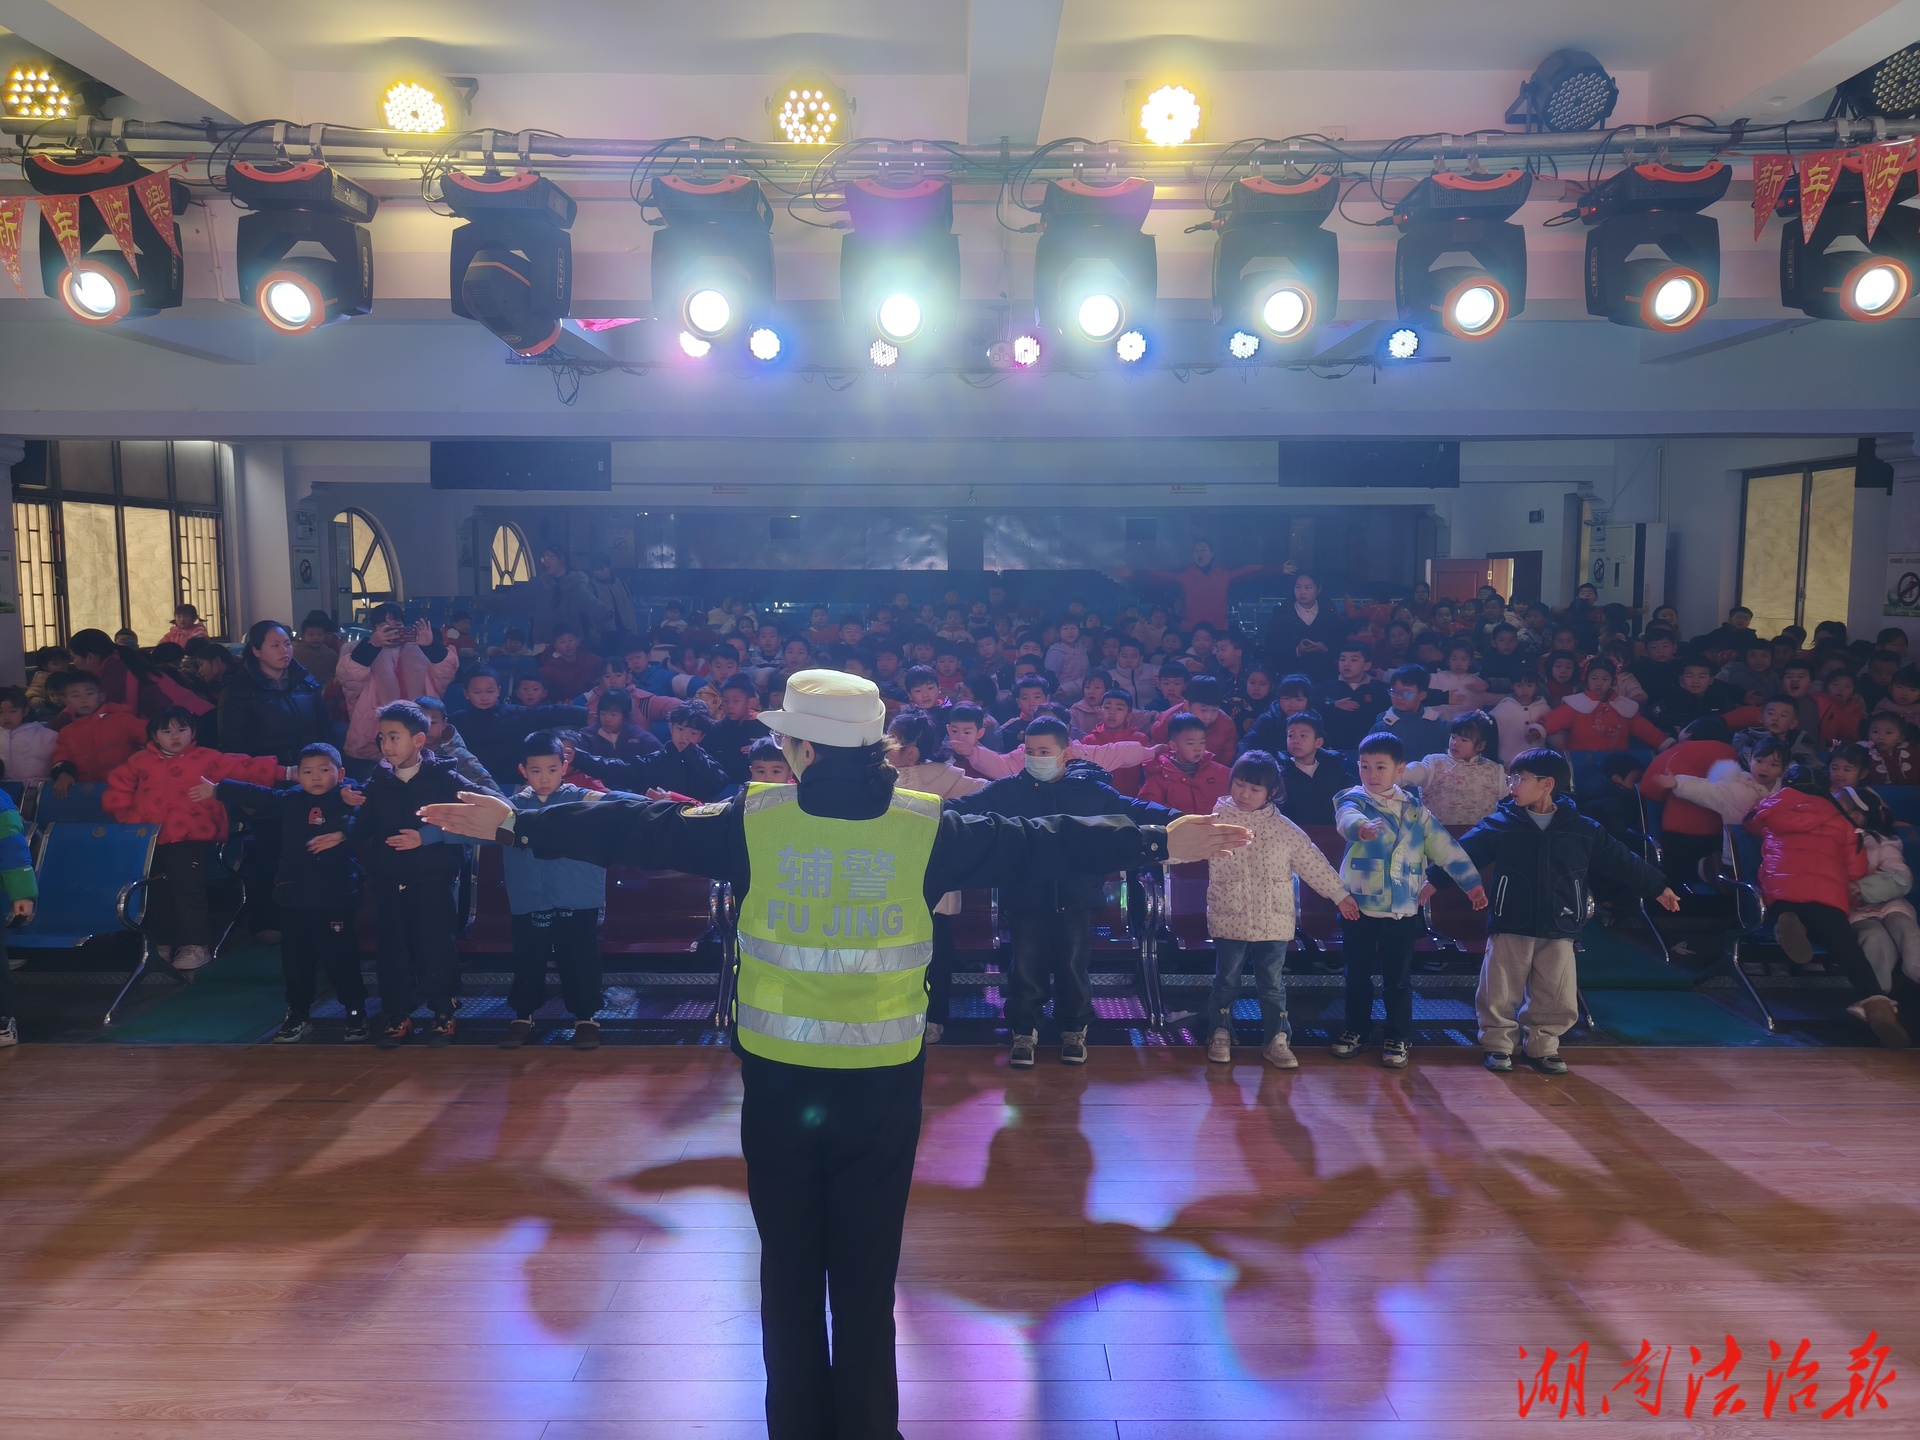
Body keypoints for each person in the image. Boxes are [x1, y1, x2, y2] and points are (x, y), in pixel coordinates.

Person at [419, 669, 1247, 1440]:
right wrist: (1154, 842)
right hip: (883, 1083)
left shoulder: (754, 819)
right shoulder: (928, 825)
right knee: (865, 1273)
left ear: (803, 749)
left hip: (779, 1080)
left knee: (788, 1270)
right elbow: (1039, 839)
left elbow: (640, 825)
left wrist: (522, 823)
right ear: (874, 745)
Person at [947, 715, 1178, 1068]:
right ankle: (1024, 1031)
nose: (1035, 758)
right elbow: (963, 809)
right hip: (1024, 898)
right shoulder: (1008, 791)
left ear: (1065, 753)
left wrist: (1186, 820)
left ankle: (1073, 1029)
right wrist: (919, 814)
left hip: (1077, 897)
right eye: (1030, 751)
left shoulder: (1091, 792)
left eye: (1044, 751)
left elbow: (1137, 810)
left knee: (1073, 969)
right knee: (1025, 969)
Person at [1458, 748, 1678, 1073]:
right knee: (1499, 990)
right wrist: (1431, 880)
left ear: (1547, 784)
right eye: (1511, 777)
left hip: (1560, 923)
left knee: (1555, 992)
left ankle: (1542, 1046)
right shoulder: (1500, 824)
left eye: (1519, 778)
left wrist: (1657, 886)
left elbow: (1621, 860)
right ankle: (1498, 1045)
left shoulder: (1582, 828)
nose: (1511, 784)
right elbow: (1460, 856)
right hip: (1510, 920)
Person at [1331, 731, 1486, 1069]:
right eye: (1365, 766)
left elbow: (1445, 847)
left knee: (1398, 979)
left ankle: (1398, 1035)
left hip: (1402, 908)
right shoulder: (1353, 799)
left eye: (1380, 767)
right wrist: (1361, 829)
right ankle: (1357, 1030)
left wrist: (1470, 883)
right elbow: (1347, 819)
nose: (1371, 774)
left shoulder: (1415, 810)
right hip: (1359, 906)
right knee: (1356, 975)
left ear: (1399, 769)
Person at [1203, 749, 1358, 1068]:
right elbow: (1181, 847)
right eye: (1239, 784)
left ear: (1271, 792)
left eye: (1254, 788)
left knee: (1272, 984)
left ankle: (1276, 1038)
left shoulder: (1284, 829)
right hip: (1229, 916)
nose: (1244, 794)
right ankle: (1220, 1031)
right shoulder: (1215, 824)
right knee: (1226, 980)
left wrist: (1339, 894)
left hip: (1273, 920)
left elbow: (1312, 861)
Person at [103, 708, 292, 972]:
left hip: (189, 837)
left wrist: (287, 773)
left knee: (187, 891)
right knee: (155, 892)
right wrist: (123, 815)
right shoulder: (139, 761)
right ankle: (163, 943)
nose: (175, 736)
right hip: (149, 838)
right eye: (166, 731)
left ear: (193, 732)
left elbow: (243, 766)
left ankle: (194, 945)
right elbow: (119, 785)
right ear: (154, 736)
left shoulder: (207, 758)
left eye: (181, 729)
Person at [217, 742, 369, 1043]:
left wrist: (344, 816)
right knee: (296, 961)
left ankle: (355, 1011)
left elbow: (366, 814)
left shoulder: (349, 795)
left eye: (323, 770)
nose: (315, 777)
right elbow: (259, 795)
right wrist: (219, 788)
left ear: (339, 773)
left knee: (340, 957)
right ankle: (298, 1012)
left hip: (334, 896)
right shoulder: (292, 798)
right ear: (298, 775)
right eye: (307, 772)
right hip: (294, 896)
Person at [1746, 766, 1909, 1048]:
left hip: (1782, 888)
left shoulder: (1772, 808)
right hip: (1828, 894)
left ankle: (1788, 923)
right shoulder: (1840, 819)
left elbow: (1750, 822)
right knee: (1845, 946)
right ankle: (1877, 1006)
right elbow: (1856, 869)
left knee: (1784, 910)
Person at [354, 701, 467, 1047]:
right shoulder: (377, 783)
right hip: (390, 882)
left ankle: (443, 1013)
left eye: (394, 737)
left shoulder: (446, 778)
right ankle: (397, 1015)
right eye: (382, 737)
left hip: (433, 880)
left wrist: (429, 837)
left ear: (418, 739)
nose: (386, 745)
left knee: (436, 949)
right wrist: (342, 821)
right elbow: (360, 825)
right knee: (392, 953)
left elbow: (478, 816)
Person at [499, 732, 612, 1050]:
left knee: (580, 958)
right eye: (535, 771)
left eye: (551, 769)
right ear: (523, 771)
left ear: (564, 767)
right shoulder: (510, 809)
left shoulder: (585, 802)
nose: (544, 778)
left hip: (578, 898)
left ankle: (586, 1019)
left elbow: (624, 804)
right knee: (527, 958)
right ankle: (523, 1016)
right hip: (529, 899)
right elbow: (478, 832)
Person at [884, 711, 988, 1045]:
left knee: (936, 956)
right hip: (887, 881)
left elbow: (991, 795)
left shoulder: (948, 777)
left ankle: (935, 1017)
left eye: (891, 738)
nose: (883, 744)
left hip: (935, 883)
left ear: (911, 751)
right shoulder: (876, 775)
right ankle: (893, 1014)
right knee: (891, 956)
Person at [336, 607, 461, 768]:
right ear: (373, 629)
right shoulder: (356, 651)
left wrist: (431, 646)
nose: (392, 629)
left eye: (397, 624)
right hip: (373, 742)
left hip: (419, 740)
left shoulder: (420, 649)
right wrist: (372, 646)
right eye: (384, 625)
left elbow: (446, 673)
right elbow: (350, 678)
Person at [1637, 717, 1741, 887]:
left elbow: (1649, 790)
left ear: (1689, 733)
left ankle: (1702, 870)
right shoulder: (1733, 756)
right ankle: (1716, 871)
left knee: (1673, 867)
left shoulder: (1674, 753)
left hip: (1682, 832)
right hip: (1722, 832)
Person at [455, 668, 589, 788]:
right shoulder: (457, 721)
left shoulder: (515, 714)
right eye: (477, 692)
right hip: (472, 785)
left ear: (498, 691)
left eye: (490, 691)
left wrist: (586, 715)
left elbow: (550, 713)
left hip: (517, 785)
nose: (484, 697)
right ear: (466, 694)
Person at [48, 671, 149, 794]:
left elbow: (154, 739)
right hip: (88, 793)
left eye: (89, 694)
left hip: (129, 789)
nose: (83, 700)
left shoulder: (123, 720)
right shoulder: (66, 733)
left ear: (101, 696)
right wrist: (63, 774)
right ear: (65, 701)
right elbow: (62, 756)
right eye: (75, 696)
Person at [503, 543, 614, 646]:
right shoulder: (538, 586)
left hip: (569, 646)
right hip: (543, 644)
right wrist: (493, 603)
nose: (546, 562)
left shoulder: (575, 585)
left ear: (561, 559)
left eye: (550, 557)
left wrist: (605, 612)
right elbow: (514, 601)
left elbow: (590, 602)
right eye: (544, 558)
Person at [1261, 570, 1350, 682]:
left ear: (1318, 589)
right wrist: (1297, 650)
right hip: (1290, 676)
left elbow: (1341, 642)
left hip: (1325, 676)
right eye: (1298, 587)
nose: (1302, 592)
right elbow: (1272, 645)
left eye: (1308, 587)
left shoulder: (1330, 613)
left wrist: (1326, 649)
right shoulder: (1282, 614)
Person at [1138, 712, 1232, 814]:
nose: (1198, 748)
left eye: (1202, 742)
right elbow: (1150, 811)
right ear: (1173, 746)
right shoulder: (1159, 776)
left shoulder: (1219, 772)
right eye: (1191, 743)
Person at [1276, 711, 1353, 827]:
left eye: (1303, 736)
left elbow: (1351, 794)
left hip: (1331, 830)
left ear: (1318, 742)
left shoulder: (1333, 767)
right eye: (1291, 736)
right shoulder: (1279, 771)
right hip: (1292, 832)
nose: (1295, 740)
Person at [1313, 642, 1389, 752]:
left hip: (1370, 749)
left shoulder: (1378, 689)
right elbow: (1312, 707)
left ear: (1367, 665)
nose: (1346, 664)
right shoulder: (1325, 687)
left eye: (1353, 660)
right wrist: (1333, 704)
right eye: (1342, 659)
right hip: (1332, 749)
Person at [1369, 664, 1451, 762]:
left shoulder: (1438, 724)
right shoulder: (1383, 725)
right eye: (1394, 691)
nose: (1399, 697)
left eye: (1406, 693)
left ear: (1422, 695)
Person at [1489, 671, 1550, 764]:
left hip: (1537, 762)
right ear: (1512, 686)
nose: (1525, 690)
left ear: (1536, 686)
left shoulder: (1544, 708)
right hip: (1508, 762)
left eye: (1529, 686)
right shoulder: (1503, 708)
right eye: (1519, 685)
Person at [0, 686, 56, 782]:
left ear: (25, 711)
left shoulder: (46, 736)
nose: (6, 717)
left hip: (37, 787)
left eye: (13, 711)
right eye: (0, 712)